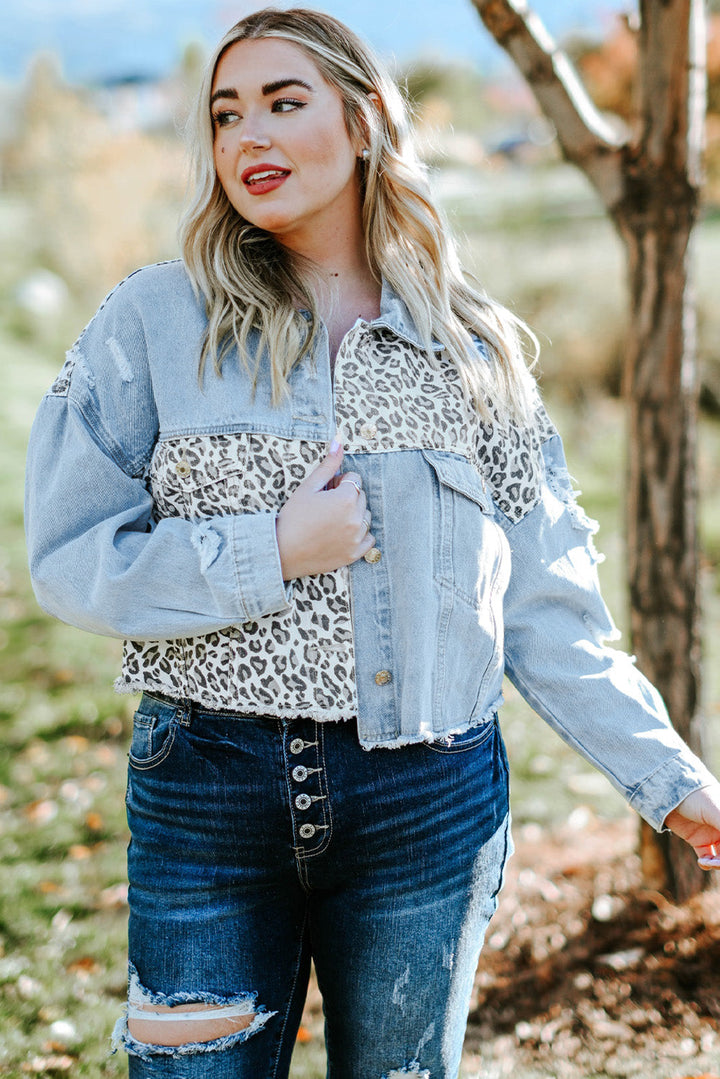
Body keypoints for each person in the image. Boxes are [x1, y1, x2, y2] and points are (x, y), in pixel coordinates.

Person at [24, 7, 720, 1078]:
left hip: (426, 800)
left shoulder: (472, 347)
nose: (248, 135)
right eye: (226, 114)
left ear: (363, 123)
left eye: (284, 102)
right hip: (209, 788)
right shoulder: (155, 322)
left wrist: (665, 776)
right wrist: (272, 548)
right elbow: (70, 554)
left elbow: (545, 601)